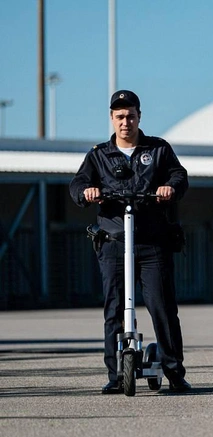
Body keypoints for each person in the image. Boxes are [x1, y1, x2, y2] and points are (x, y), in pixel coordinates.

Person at [69, 90, 191, 394]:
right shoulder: (99, 154)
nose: (126, 121)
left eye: (131, 115)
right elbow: (78, 182)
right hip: (113, 242)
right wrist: (86, 193)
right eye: (120, 116)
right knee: (114, 309)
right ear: (112, 118)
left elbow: (179, 175)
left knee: (161, 307)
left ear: (139, 116)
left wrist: (169, 187)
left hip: (151, 242)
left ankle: (175, 373)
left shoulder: (158, 149)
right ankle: (115, 375)